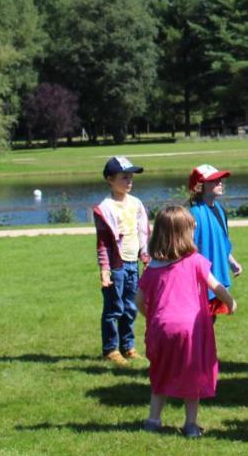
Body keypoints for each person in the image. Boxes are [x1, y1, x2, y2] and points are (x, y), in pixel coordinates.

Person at [137, 205, 236, 438]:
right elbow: (216, 286)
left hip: (161, 328)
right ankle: (191, 424)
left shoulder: (153, 268)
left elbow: (138, 299)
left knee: (160, 373)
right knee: (193, 374)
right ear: (186, 233)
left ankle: (153, 419)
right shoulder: (196, 261)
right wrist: (231, 303)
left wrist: (150, 316)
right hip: (191, 329)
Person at [92, 156, 150, 367]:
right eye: (124, 177)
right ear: (109, 179)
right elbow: (103, 243)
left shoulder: (136, 204)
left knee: (130, 307)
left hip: (132, 264)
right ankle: (110, 349)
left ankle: (128, 347)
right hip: (115, 267)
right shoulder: (104, 208)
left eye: (131, 177)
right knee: (113, 309)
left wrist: (146, 257)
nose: (129, 181)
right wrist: (105, 269)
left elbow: (144, 232)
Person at [187, 164, 242, 315]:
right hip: (201, 277)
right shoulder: (192, 214)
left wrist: (232, 263)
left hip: (217, 273)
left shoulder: (219, 209)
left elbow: (222, 242)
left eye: (220, 180)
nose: (220, 183)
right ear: (200, 186)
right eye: (214, 181)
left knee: (211, 318)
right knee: (200, 318)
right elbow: (187, 249)